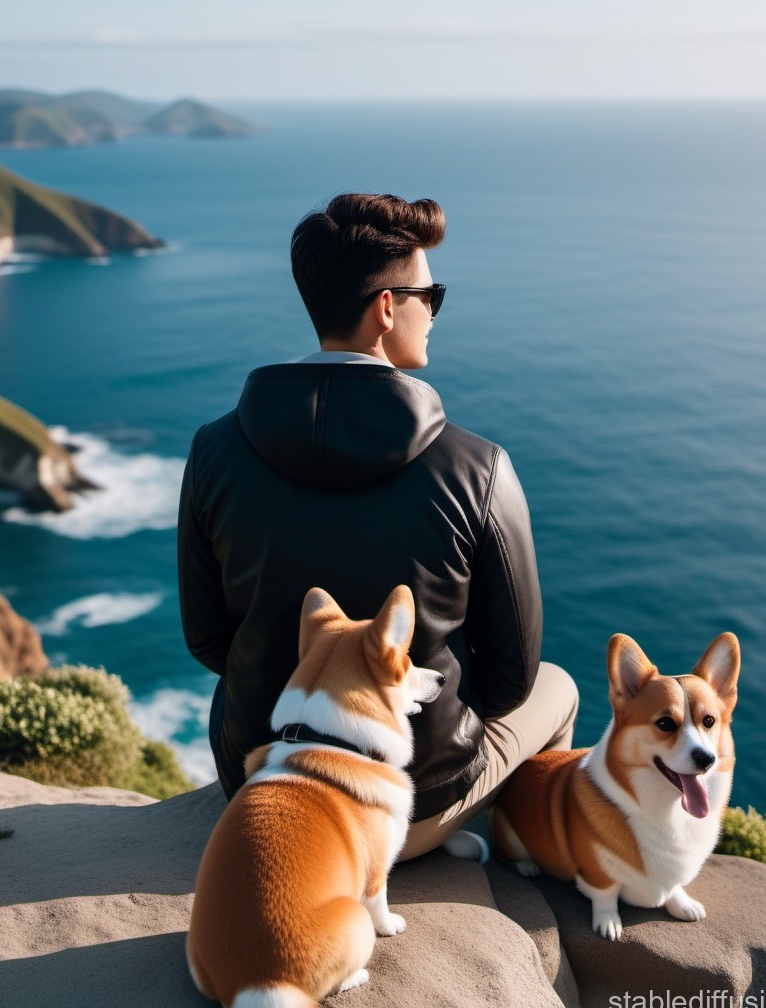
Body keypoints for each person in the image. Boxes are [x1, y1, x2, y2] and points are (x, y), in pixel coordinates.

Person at [178, 193, 577, 859]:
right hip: (403, 808)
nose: (435, 312)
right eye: (432, 295)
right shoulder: (478, 467)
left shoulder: (213, 450)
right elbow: (511, 681)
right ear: (388, 309)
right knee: (556, 687)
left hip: (261, 788)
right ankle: (513, 862)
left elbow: (209, 642)